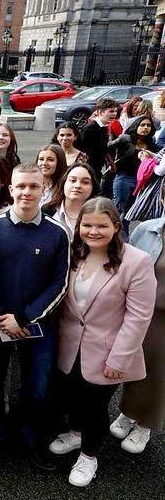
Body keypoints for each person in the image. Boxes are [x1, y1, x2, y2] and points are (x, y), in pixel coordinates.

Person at [48, 198, 155, 487]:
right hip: (70, 344)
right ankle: (75, 434)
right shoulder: (75, 254)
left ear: (116, 227)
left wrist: (119, 359)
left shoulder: (136, 261)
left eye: (102, 226)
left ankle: (89, 457)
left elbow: (138, 317)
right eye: (87, 225)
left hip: (108, 349)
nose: (93, 231)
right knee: (72, 397)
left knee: (94, 407)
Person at [0, 163, 70, 471]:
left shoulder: (57, 233)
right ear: (11, 189)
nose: (27, 192)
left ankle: (29, 437)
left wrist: (25, 318)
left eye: (34, 186)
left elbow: (60, 282)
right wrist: (2, 317)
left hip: (37, 326)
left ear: (43, 189)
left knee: (37, 386)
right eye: (21, 186)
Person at [115, 194, 165, 455]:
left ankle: (145, 424)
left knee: (159, 374)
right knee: (135, 366)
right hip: (139, 313)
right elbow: (127, 266)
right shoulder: (147, 229)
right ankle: (127, 413)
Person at [107, 116, 159, 237]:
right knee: (119, 210)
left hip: (141, 182)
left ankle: (124, 238)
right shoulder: (126, 139)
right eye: (142, 125)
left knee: (130, 212)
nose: (145, 128)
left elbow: (157, 158)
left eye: (148, 125)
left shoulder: (151, 142)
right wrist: (111, 163)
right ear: (136, 126)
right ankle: (116, 238)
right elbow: (106, 148)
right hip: (123, 178)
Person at [43, 163, 101, 240]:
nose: (77, 186)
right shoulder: (46, 213)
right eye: (73, 180)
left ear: (93, 187)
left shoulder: (100, 215)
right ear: (63, 183)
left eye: (85, 182)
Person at [76, 97, 118, 177]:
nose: (114, 114)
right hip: (88, 169)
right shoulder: (91, 127)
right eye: (111, 111)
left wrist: (111, 162)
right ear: (100, 112)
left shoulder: (104, 126)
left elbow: (103, 147)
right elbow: (81, 149)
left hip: (97, 168)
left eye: (115, 111)